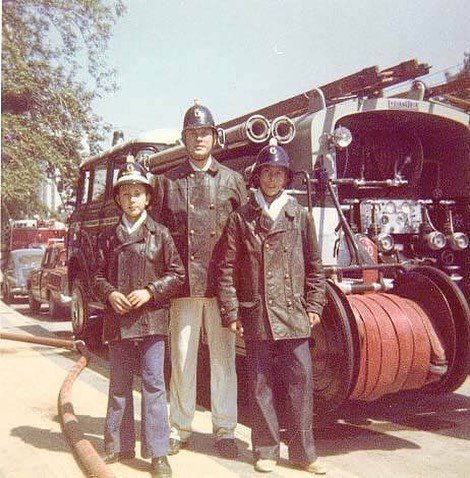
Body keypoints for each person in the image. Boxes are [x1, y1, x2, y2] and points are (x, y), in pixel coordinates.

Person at [217, 143, 327, 474]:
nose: (272, 178)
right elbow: (226, 268)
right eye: (267, 172)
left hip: (293, 313)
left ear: (286, 177)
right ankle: (265, 450)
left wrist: (315, 305)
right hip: (257, 313)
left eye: (278, 173)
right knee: (260, 383)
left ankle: (304, 455)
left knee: (301, 382)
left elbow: (315, 266)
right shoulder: (241, 218)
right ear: (258, 176)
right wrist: (232, 311)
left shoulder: (300, 216)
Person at [153, 101, 248, 458]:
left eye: (204, 132)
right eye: (192, 133)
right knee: (181, 358)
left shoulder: (232, 181)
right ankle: (179, 426)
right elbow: (158, 237)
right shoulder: (166, 183)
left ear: (214, 137)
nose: (198, 139)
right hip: (182, 286)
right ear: (183, 138)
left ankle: (225, 430)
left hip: (222, 286)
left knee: (224, 359)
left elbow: (246, 235)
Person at [92, 158, 185, 478]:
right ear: (118, 198)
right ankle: (118, 444)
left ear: (148, 198)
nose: (132, 199)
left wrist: (150, 291)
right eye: (126, 193)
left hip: (151, 322)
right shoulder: (107, 237)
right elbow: (95, 277)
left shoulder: (161, 234)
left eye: (138, 193)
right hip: (118, 322)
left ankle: (158, 453)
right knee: (118, 384)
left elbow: (177, 275)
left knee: (154, 385)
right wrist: (109, 294)